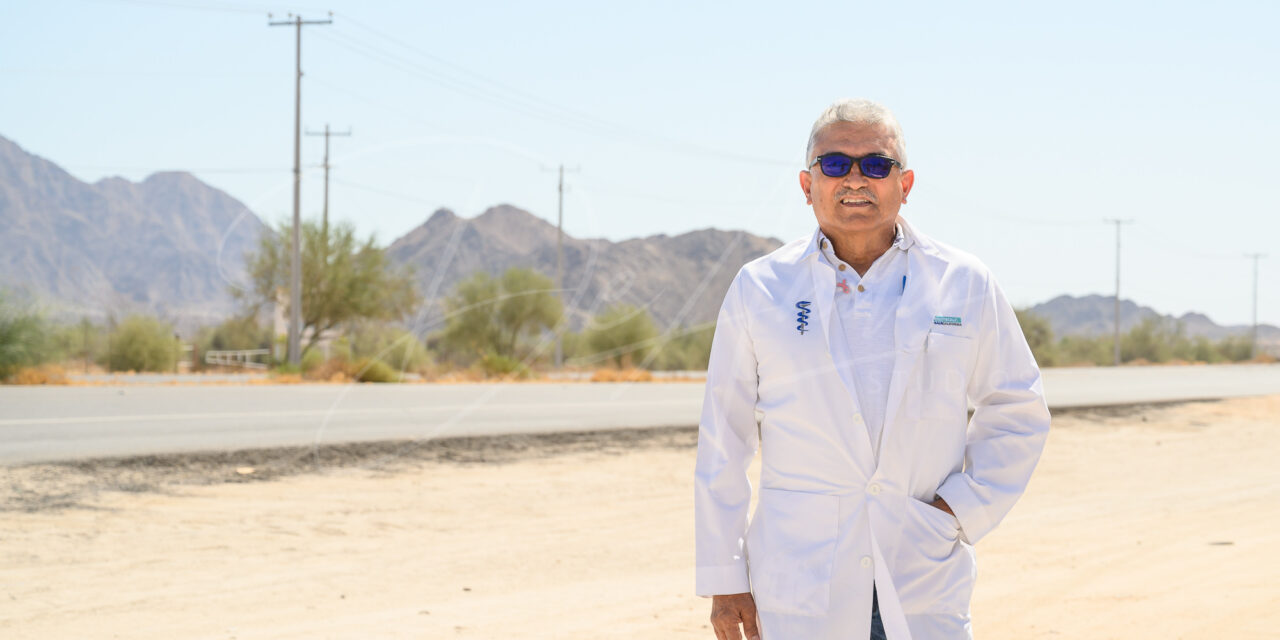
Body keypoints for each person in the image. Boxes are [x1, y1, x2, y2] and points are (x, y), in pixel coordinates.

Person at [694, 98, 1051, 640]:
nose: (855, 178)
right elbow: (724, 439)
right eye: (835, 164)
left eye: (876, 164)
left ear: (904, 183)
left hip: (920, 570)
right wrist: (725, 577)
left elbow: (1018, 406)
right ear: (807, 183)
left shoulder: (964, 281)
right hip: (801, 581)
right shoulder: (759, 289)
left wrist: (958, 509)